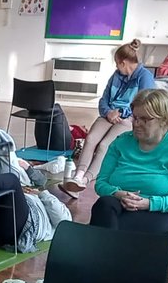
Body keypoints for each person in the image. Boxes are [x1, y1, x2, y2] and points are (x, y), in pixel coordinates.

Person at [86, 87, 168, 283]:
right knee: (103, 206)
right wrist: (119, 193)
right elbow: (101, 184)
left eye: (145, 119)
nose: (136, 123)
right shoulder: (121, 142)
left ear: (165, 120)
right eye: (135, 117)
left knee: (107, 233)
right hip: (118, 205)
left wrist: (149, 202)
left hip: (156, 211)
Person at [61, 39, 156, 194]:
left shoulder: (144, 77)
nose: (116, 67)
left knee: (105, 145)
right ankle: (78, 176)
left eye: (117, 63)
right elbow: (104, 98)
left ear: (124, 62)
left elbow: (144, 104)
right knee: (91, 139)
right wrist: (108, 112)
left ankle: (85, 180)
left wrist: (122, 113)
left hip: (128, 119)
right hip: (109, 115)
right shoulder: (116, 75)